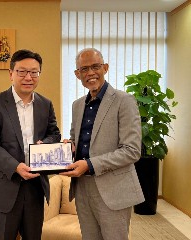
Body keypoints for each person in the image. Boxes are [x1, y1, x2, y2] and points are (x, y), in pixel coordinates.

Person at [60, 48, 145, 240]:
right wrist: (69, 146)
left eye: (95, 67)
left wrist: (90, 165)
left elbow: (131, 151)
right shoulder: (77, 105)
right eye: (84, 69)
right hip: (82, 188)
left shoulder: (124, 101)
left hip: (113, 189)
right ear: (77, 74)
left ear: (105, 68)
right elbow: (76, 139)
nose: (90, 73)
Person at [0, 49, 61, 240]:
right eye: (22, 71)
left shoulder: (45, 104)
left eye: (34, 72)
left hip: (35, 186)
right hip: (4, 186)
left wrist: (45, 144)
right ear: (11, 74)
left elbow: (54, 134)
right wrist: (15, 166)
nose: (28, 77)